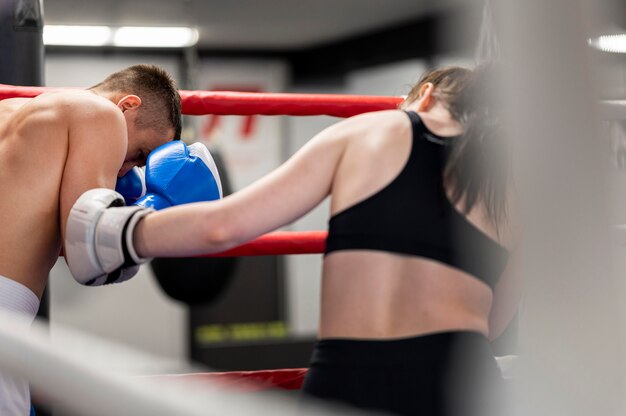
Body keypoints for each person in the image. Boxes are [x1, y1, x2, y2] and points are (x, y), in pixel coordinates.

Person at [67, 64, 520, 416]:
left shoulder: (373, 130)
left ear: (425, 97)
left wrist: (115, 231)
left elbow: (224, 226)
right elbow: (496, 322)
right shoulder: (522, 186)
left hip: (349, 379)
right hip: (465, 384)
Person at [0, 64, 184, 415]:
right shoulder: (102, 115)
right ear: (127, 105)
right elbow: (86, 249)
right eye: (141, 154)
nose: (128, 169)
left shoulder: (11, 112)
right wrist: (157, 215)